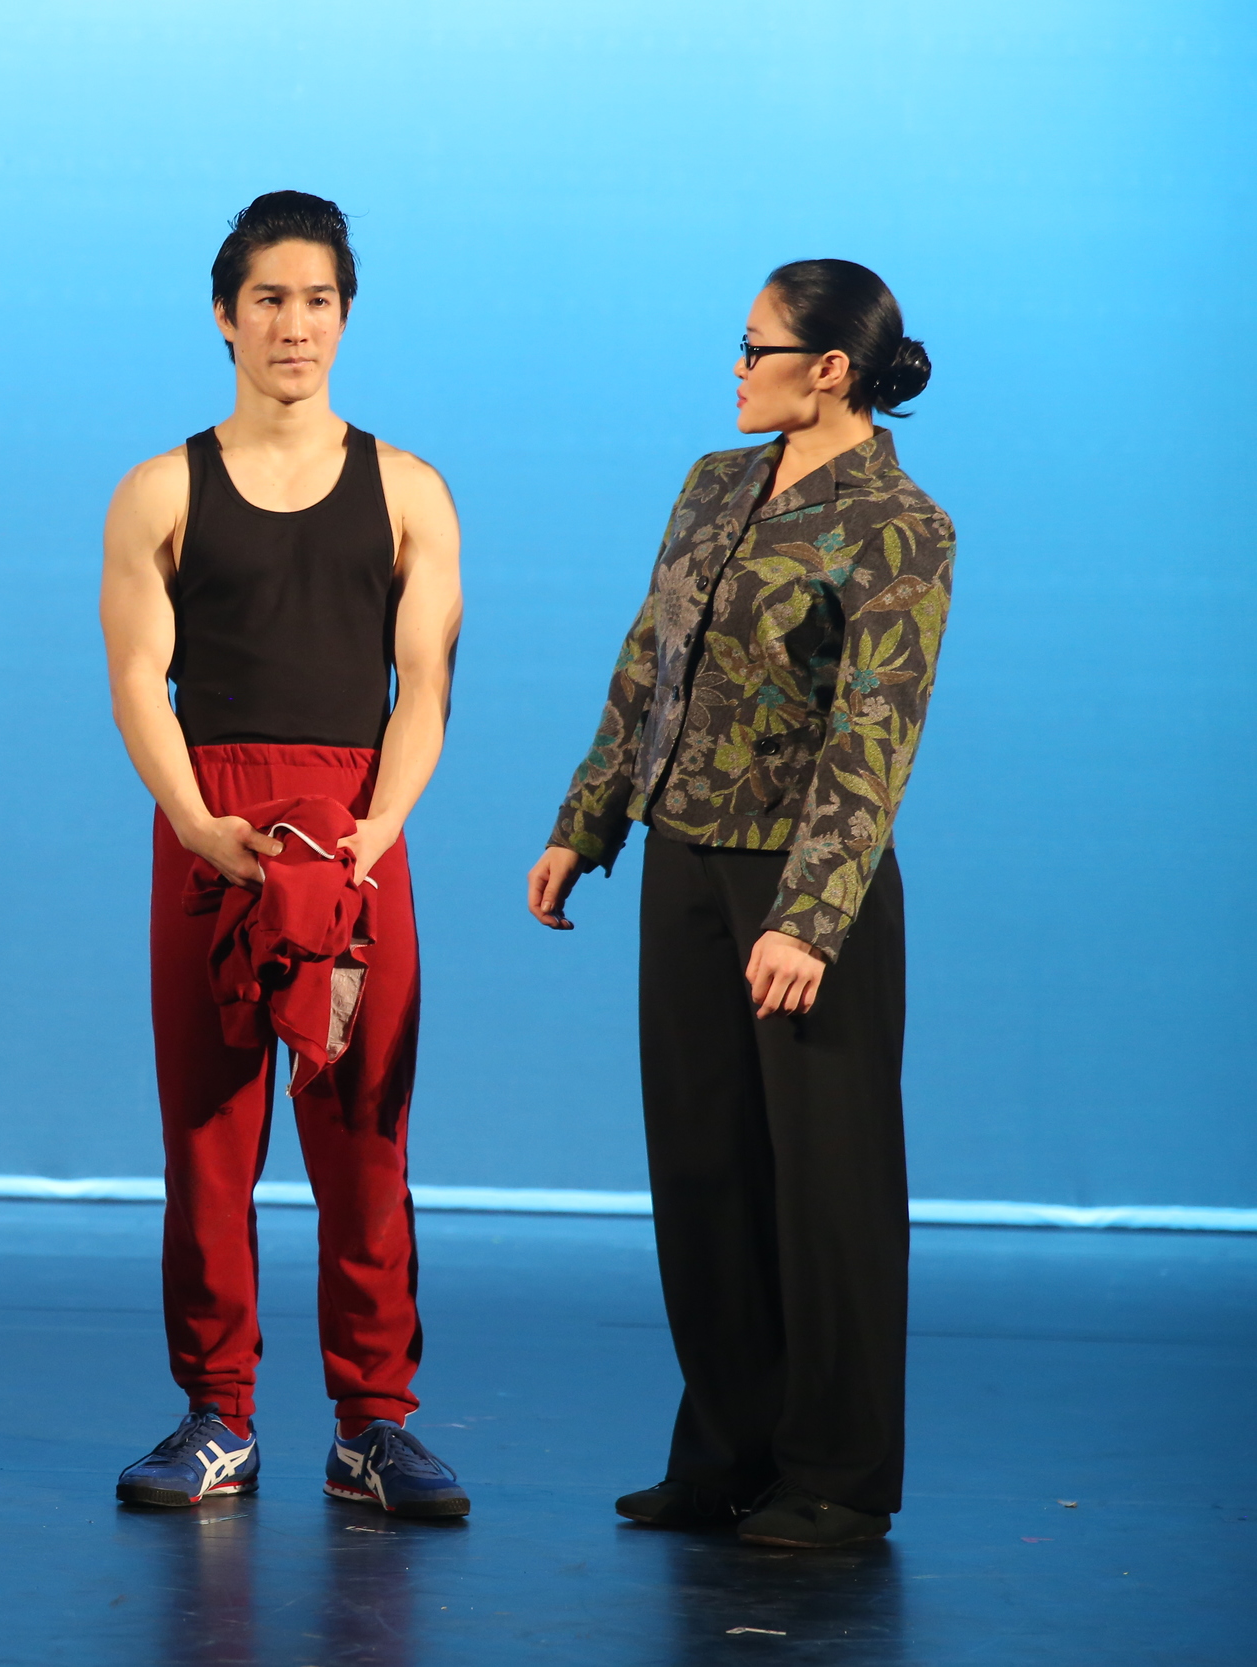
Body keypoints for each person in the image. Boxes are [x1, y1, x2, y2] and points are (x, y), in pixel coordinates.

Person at [526, 260, 952, 1549]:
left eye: (755, 345)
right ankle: (724, 1454)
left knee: (826, 1189)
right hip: (685, 864)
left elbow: (873, 733)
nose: (736, 364)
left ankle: (834, 1477)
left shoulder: (898, 522)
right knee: (702, 1171)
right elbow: (648, 663)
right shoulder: (715, 483)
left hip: (803, 887)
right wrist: (585, 821)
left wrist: (809, 917)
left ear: (828, 368)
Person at [98, 191, 468, 1517]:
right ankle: (220, 1413)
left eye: (317, 299)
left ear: (346, 315)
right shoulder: (160, 489)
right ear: (225, 313)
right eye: (269, 299)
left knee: (367, 1128)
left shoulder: (411, 487)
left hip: (360, 832)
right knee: (208, 1130)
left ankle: (373, 1421)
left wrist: (376, 828)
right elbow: (140, 676)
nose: (293, 324)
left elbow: (422, 684)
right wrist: (198, 817)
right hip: (212, 824)